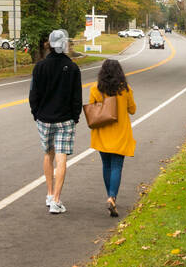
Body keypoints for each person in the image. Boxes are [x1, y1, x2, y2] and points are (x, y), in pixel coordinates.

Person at [29, 28, 82, 214]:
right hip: (65, 119)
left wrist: (36, 113)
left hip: (44, 118)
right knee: (61, 159)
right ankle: (57, 200)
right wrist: (75, 117)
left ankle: (49, 194)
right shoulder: (73, 68)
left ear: (49, 45)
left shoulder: (40, 67)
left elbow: (33, 94)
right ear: (64, 44)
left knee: (47, 155)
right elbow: (77, 97)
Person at [87, 59, 136, 217]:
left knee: (106, 166)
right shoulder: (125, 89)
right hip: (120, 133)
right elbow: (133, 110)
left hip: (102, 134)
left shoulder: (95, 88)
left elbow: (92, 109)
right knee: (116, 166)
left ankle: (110, 196)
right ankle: (112, 197)